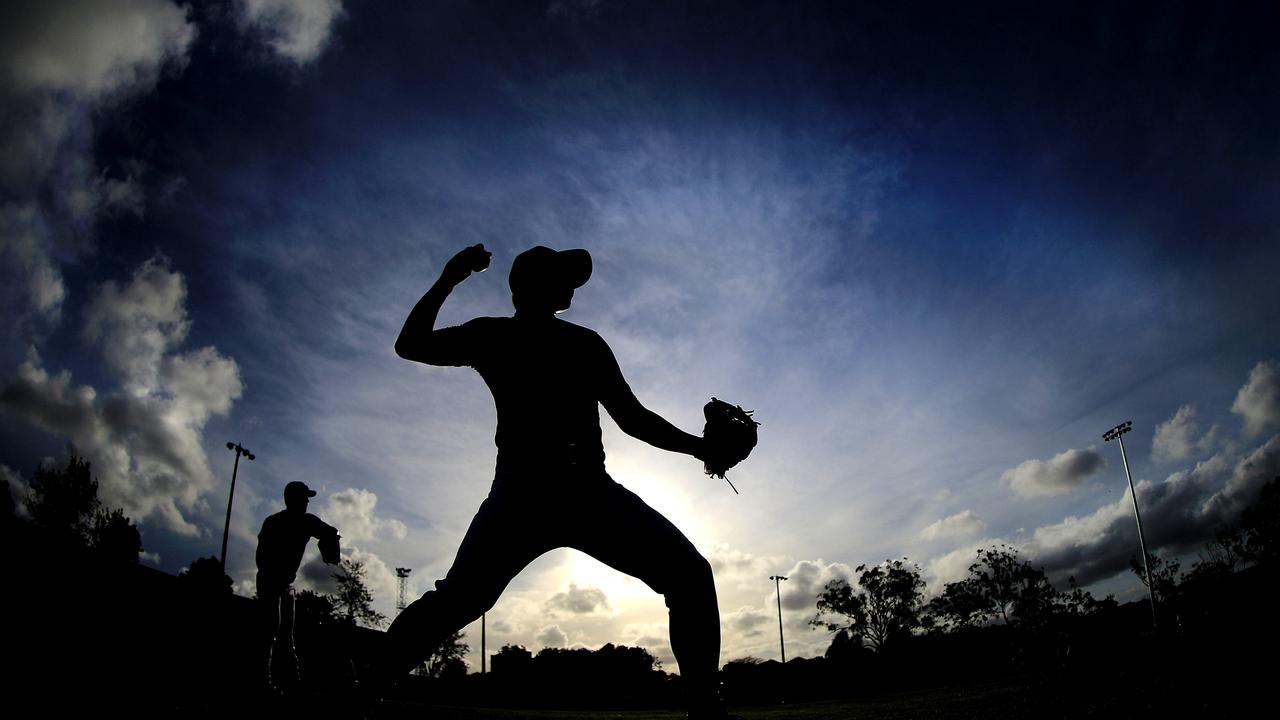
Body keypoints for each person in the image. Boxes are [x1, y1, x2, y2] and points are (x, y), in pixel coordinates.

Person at [385, 244, 732, 718]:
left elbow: (632, 418)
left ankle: (704, 708)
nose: (571, 287)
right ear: (530, 284)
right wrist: (449, 278)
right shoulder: (502, 335)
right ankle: (365, 685)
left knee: (689, 574)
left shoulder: (573, 340)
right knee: (461, 599)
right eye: (562, 276)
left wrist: (700, 447)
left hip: (574, 490)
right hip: (531, 492)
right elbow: (410, 345)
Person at [256, 480, 341, 693]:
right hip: (270, 581)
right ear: (293, 500)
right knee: (270, 630)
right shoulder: (279, 522)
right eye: (304, 498)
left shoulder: (303, 521)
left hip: (284, 584)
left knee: (285, 633)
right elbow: (262, 558)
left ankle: (290, 681)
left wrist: (330, 543)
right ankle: (263, 682)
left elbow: (330, 531)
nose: (306, 502)